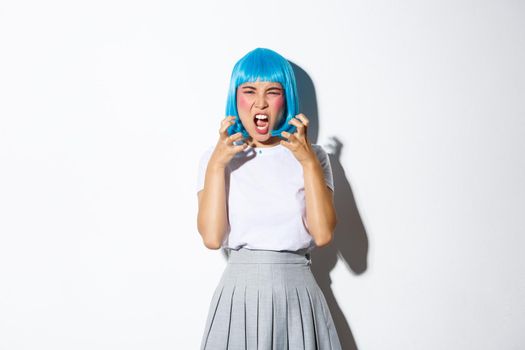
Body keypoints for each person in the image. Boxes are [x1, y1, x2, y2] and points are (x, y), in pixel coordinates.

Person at [196, 48, 342, 349]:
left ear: (285, 97)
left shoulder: (313, 156)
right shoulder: (216, 159)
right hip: (239, 293)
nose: (260, 103)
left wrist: (307, 163)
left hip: (297, 292)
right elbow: (212, 238)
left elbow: (324, 233)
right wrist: (217, 166)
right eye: (249, 91)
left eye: (272, 92)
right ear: (235, 98)